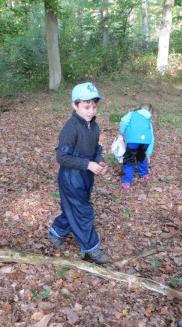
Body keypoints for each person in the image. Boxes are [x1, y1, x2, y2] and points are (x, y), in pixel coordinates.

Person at [47, 82, 108, 264]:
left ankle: (56, 233)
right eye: (86, 106)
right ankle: (92, 248)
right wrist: (87, 164)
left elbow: (96, 147)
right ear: (75, 105)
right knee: (83, 211)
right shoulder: (71, 127)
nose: (91, 111)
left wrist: (99, 160)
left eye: (94, 106)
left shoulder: (94, 126)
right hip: (70, 177)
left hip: (86, 176)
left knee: (73, 207)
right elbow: (62, 157)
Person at [119, 103, 155, 190]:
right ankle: (144, 174)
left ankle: (127, 182)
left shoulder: (132, 114)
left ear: (140, 109)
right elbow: (152, 137)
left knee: (129, 159)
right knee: (141, 156)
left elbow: (123, 121)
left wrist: (121, 132)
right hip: (145, 141)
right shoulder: (148, 120)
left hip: (133, 140)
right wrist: (148, 154)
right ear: (150, 112)